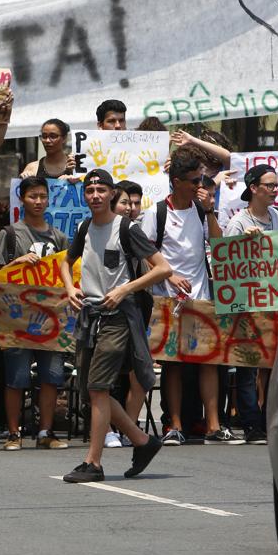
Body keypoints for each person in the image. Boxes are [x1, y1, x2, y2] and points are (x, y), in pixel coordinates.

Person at [60, 169, 169, 483]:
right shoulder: (84, 227)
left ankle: (93, 463)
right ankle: (142, 440)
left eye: (100, 189)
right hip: (89, 316)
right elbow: (67, 262)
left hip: (118, 317)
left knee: (98, 388)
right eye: (90, 190)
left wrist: (125, 288)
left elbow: (163, 269)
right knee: (91, 389)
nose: (95, 195)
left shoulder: (126, 228)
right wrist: (69, 289)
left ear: (111, 194)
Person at [140, 150, 240, 446]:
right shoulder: (156, 213)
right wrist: (168, 276)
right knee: (174, 362)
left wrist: (209, 210)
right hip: (169, 300)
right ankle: (175, 425)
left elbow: (218, 244)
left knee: (208, 361)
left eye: (201, 179)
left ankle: (213, 424)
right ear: (177, 182)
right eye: (195, 180)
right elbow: (145, 254)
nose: (200, 184)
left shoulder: (200, 209)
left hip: (201, 296)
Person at [0, 177, 70, 451]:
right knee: (16, 377)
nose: (38, 201)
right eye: (33, 196)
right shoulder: (10, 235)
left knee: (51, 376)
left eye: (43, 196)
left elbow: (68, 275)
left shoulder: (59, 238)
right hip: (17, 318)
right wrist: (17, 262)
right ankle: (14, 433)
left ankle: (45, 432)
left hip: (51, 318)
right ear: (22, 199)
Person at [223, 164, 278, 447]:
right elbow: (226, 264)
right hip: (246, 304)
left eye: (275, 185)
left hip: (271, 302)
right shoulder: (237, 223)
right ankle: (250, 423)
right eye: (269, 185)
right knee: (247, 365)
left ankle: (268, 418)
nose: (274, 190)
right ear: (254, 188)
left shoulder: (277, 216)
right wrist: (242, 244)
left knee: (270, 364)